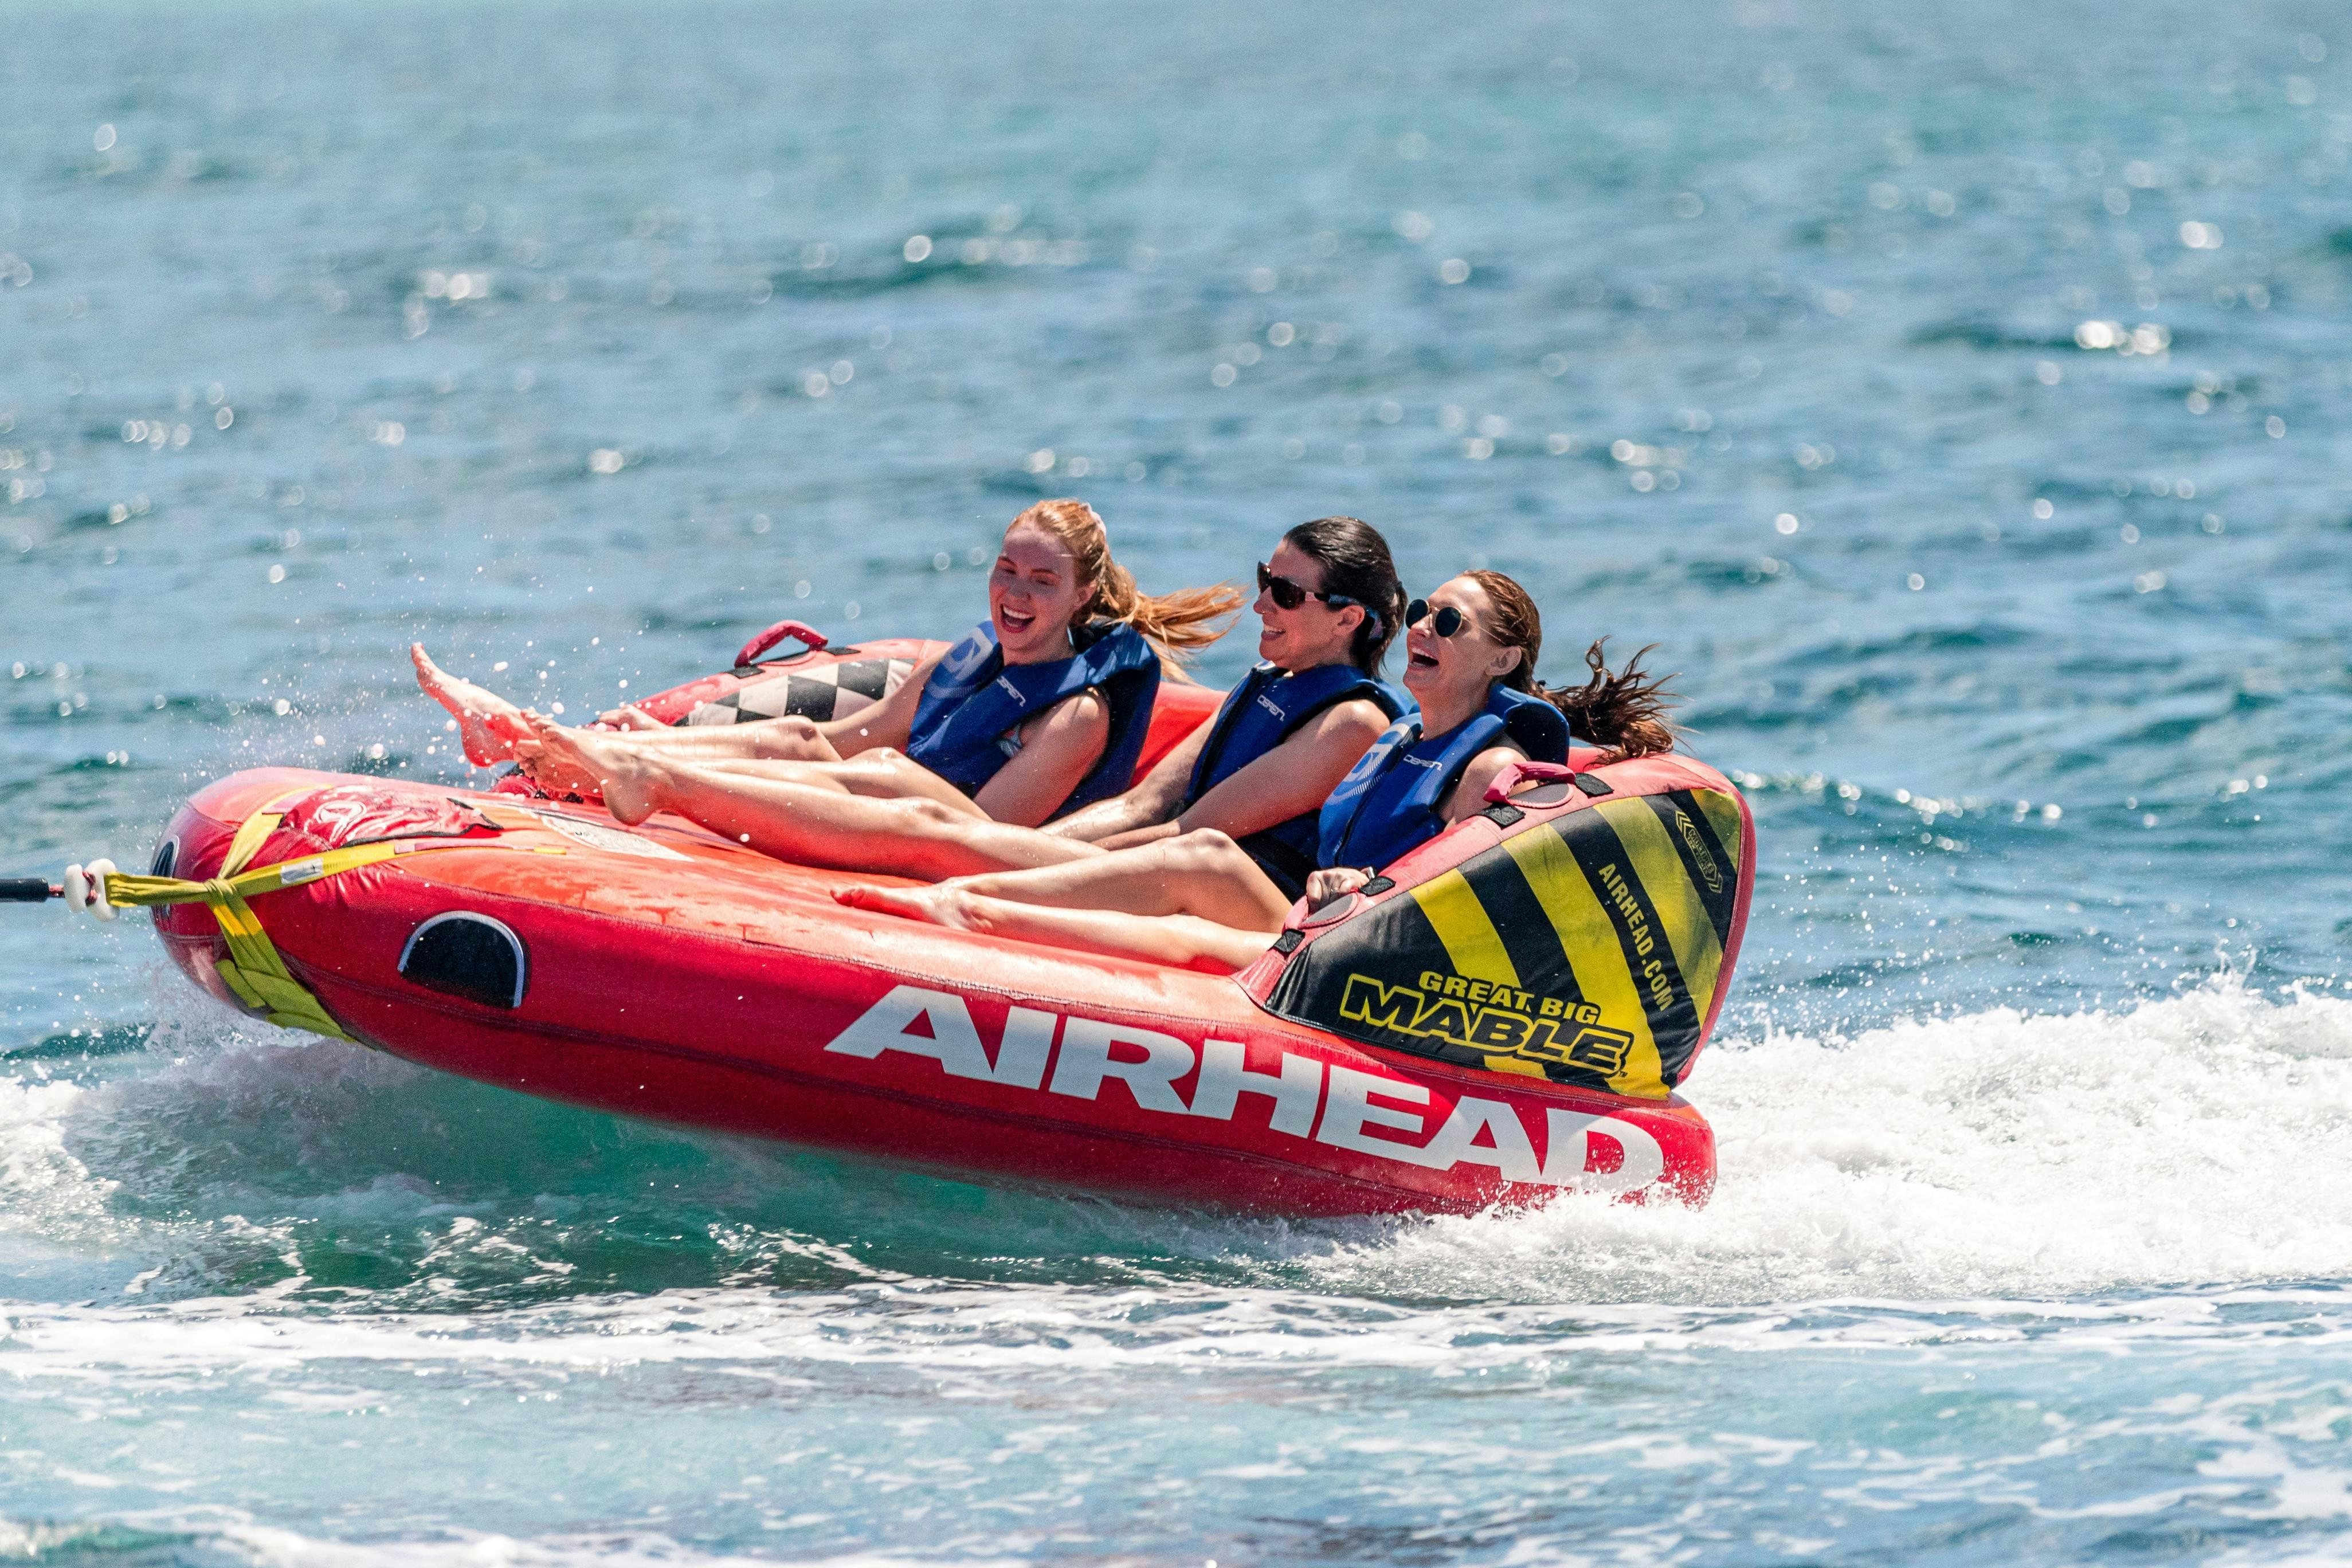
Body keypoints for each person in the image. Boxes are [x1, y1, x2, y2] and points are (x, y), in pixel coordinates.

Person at [838, 570, 1678, 969]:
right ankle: (958, 901)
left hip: (1368, 955)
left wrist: (1361, 886)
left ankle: (961, 909)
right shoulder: (1401, 739)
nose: (1423, 626)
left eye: (1450, 622)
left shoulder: (1485, 766)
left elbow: (1455, 910)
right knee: (1195, 877)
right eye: (1422, 612)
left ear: (1505, 656)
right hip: (1320, 925)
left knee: (1200, 863)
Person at [501, 518, 1415, 881]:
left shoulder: (1346, 722)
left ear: (1349, 624)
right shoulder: (1264, 690)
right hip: (1141, 858)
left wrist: (1020, 858)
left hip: (1217, 895)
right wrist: (1026, 849)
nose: (1262, 602)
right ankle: (626, 763)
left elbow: (1192, 835)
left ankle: (644, 776)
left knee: (898, 792)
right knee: (859, 765)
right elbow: (1144, 802)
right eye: (1267, 579)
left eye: (1287, 595)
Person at [421, 499, 1237, 830]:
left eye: (1041, 582)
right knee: (818, 745)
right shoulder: (972, 657)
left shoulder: (1078, 715)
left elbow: (985, 839)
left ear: (1081, 595)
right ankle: (572, 744)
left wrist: (852, 787)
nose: (1015, 595)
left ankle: (614, 762)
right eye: (1006, 572)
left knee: (875, 772)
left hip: (927, 830)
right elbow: (849, 736)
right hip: (875, 792)